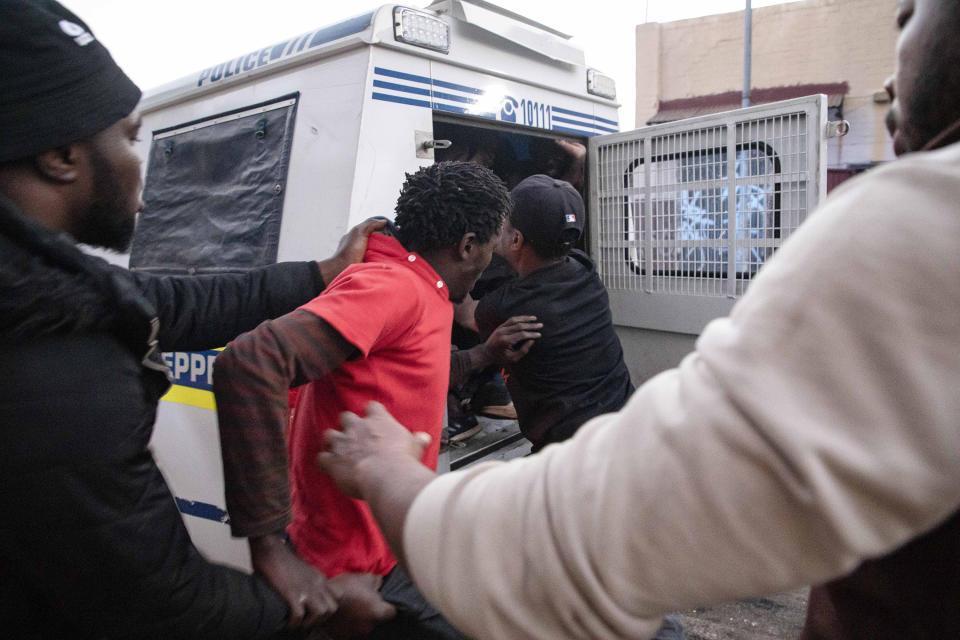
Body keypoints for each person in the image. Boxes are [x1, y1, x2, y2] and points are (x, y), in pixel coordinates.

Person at [317, 1, 960, 638]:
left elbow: (600, 531)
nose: (884, 79)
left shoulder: (920, 221)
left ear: (508, 244)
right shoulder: (588, 277)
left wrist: (389, 472)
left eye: (908, 16)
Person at [0, 1, 386, 637]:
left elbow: (171, 301)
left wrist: (318, 274)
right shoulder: (55, 374)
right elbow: (162, 603)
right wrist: (318, 605)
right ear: (62, 156)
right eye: (129, 138)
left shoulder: (46, 287)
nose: (142, 174)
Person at [212, 161, 511, 638]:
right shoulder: (393, 286)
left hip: (389, 550)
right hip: (352, 575)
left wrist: (482, 356)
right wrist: (270, 550)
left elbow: (409, 375)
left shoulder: (420, 288)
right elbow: (251, 362)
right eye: (489, 253)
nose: (487, 268)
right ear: (468, 245)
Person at [455, 175, 634, 451]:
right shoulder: (584, 268)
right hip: (626, 424)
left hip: (573, 454)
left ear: (515, 239)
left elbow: (464, 312)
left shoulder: (506, 308)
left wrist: (466, 248)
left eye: (501, 222)